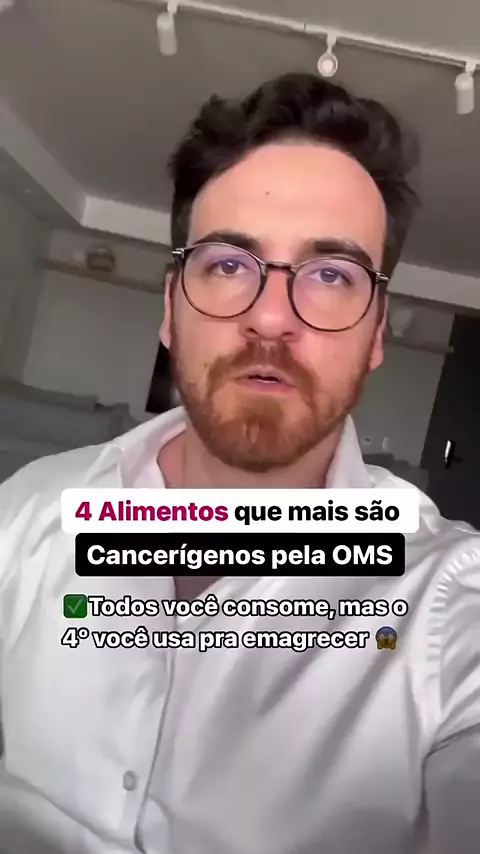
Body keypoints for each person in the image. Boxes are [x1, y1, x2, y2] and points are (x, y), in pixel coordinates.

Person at [0, 72, 479, 854]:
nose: (270, 317)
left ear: (377, 335)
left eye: (332, 275)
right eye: (228, 265)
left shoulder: (450, 608)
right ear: (169, 308)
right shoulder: (29, 511)